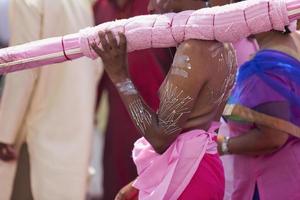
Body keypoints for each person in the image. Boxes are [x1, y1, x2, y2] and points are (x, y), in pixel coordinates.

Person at [91, 0, 238, 199]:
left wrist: (120, 77)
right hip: (202, 167)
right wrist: (142, 182)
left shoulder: (194, 48)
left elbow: (160, 138)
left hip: (191, 178)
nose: (151, 7)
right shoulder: (225, 45)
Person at [0, 0, 100, 199]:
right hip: (74, 138)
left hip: (34, 138)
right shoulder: (81, 5)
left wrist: (5, 134)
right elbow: (96, 68)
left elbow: (22, 69)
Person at [216, 1, 300, 200]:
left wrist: (224, 145)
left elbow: (272, 138)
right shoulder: (295, 43)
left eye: (243, 10)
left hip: (276, 184)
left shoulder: (264, 68)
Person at [93, 1, 171, 199]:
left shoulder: (155, 5)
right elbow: (95, 73)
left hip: (161, 127)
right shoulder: (100, 8)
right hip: (118, 127)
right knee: (116, 189)